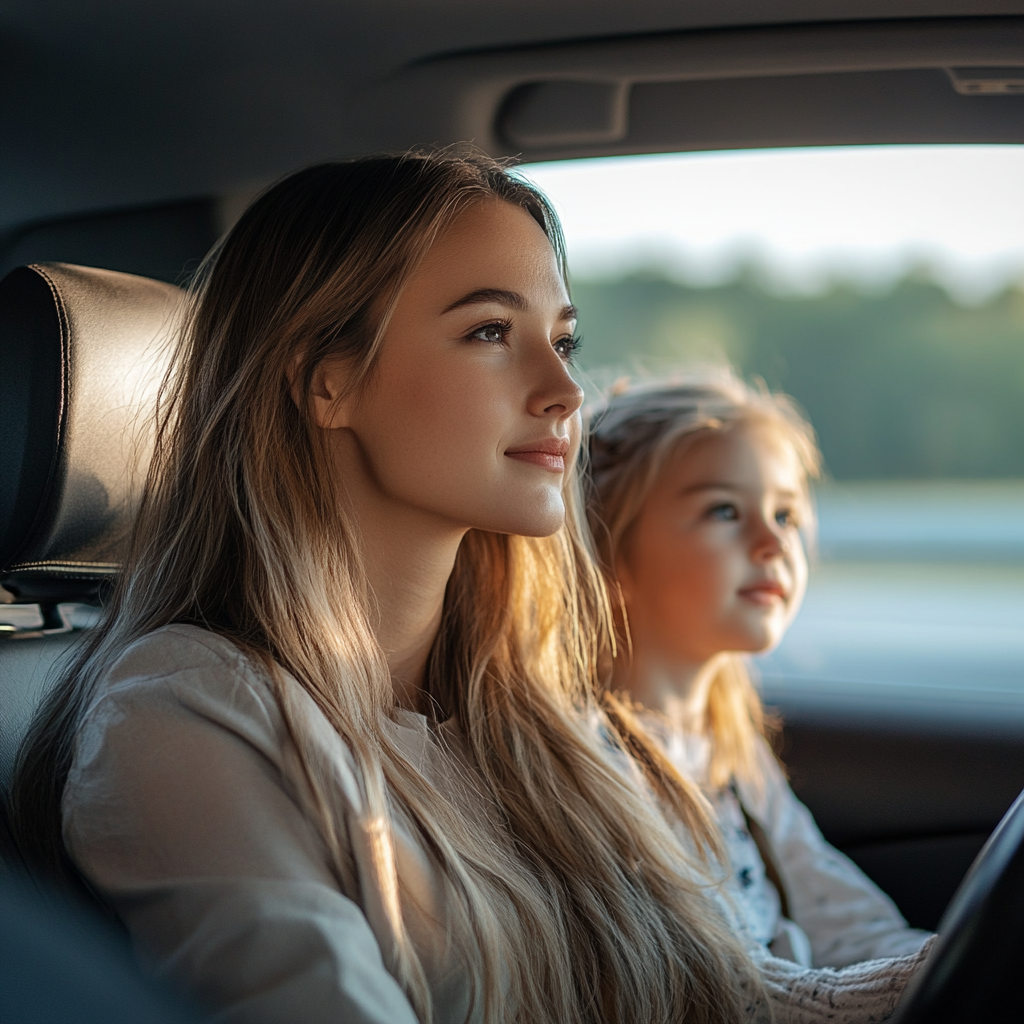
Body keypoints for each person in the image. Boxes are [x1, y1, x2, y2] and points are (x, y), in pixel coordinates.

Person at [11, 154, 928, 1024]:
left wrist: (936, 977)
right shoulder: (181, 713)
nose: (566, 388)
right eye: (491, 332)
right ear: (324, 381)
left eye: (564, 340)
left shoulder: (522, 710)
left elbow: (712, 988)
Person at [586, 373, 934, 970]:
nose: (772, 541)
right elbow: (725, 987)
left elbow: (846, 921)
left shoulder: (735, 756)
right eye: (724, 510)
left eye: (786, 514)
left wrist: (941, 967)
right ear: (607, 552)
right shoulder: (594, 762)